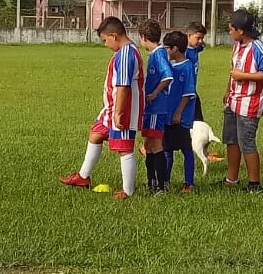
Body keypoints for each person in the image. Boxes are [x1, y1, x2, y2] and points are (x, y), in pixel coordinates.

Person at [60, 17, 143, 198]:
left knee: (124, 148)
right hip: (110, 109)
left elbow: (123, 86)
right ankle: (83, 177)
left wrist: (119, 113)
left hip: (123, 110)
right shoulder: (126, 51)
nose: (105, 44)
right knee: (96, 134)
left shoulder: (126, 54)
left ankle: (128, 191)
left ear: (113, 36)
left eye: (105, 40)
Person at [223, 8, 263, 192]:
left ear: (241, 30)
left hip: (249, 103)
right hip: (233, 100)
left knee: (247, 142)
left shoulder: (258, 48)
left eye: (231, 29)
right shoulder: (237, 45)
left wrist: (243, 76)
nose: (229, 32)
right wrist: (227, 90)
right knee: (231, 140)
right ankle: (231, 179)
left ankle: (255, 184)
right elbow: (233, 70)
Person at [139, 19, 174, 193]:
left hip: (156, 108)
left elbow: (168, 76)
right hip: (151, 109)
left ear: (144, 37)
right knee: (148, 146)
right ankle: (151, 182)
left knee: (155, 145)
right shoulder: (154, 54)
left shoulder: (159, 54)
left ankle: (161, 186)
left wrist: (154, 93)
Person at [162, 29, 199, 192]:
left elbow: (188, 93)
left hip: (181, 117)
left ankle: (189, 182)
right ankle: (165, 180)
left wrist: (179, 112)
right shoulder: (170, 65)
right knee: (166, 149)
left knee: (186, 149)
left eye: (167, 48)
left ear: (175, 48)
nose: (166, 51)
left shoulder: (187, 67)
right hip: (167, 115)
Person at [183, 21, 209, 123]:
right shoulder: (182, 52)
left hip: (193, 91)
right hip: (184, 93)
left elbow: (202, 46)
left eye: (202, 38)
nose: (200, 41)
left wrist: (201, 43)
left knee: (198, 122)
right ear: (188, 36)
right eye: (197, 38)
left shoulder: (196, 48)